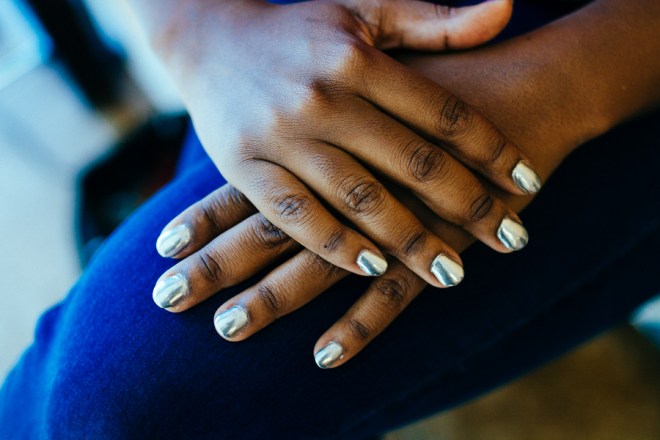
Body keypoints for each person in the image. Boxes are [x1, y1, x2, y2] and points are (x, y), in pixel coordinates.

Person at [1, 0, 659, 438]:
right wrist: (202, 31)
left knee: (112, 398)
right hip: (283, 28)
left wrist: (565, 88)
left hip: (604, 51)